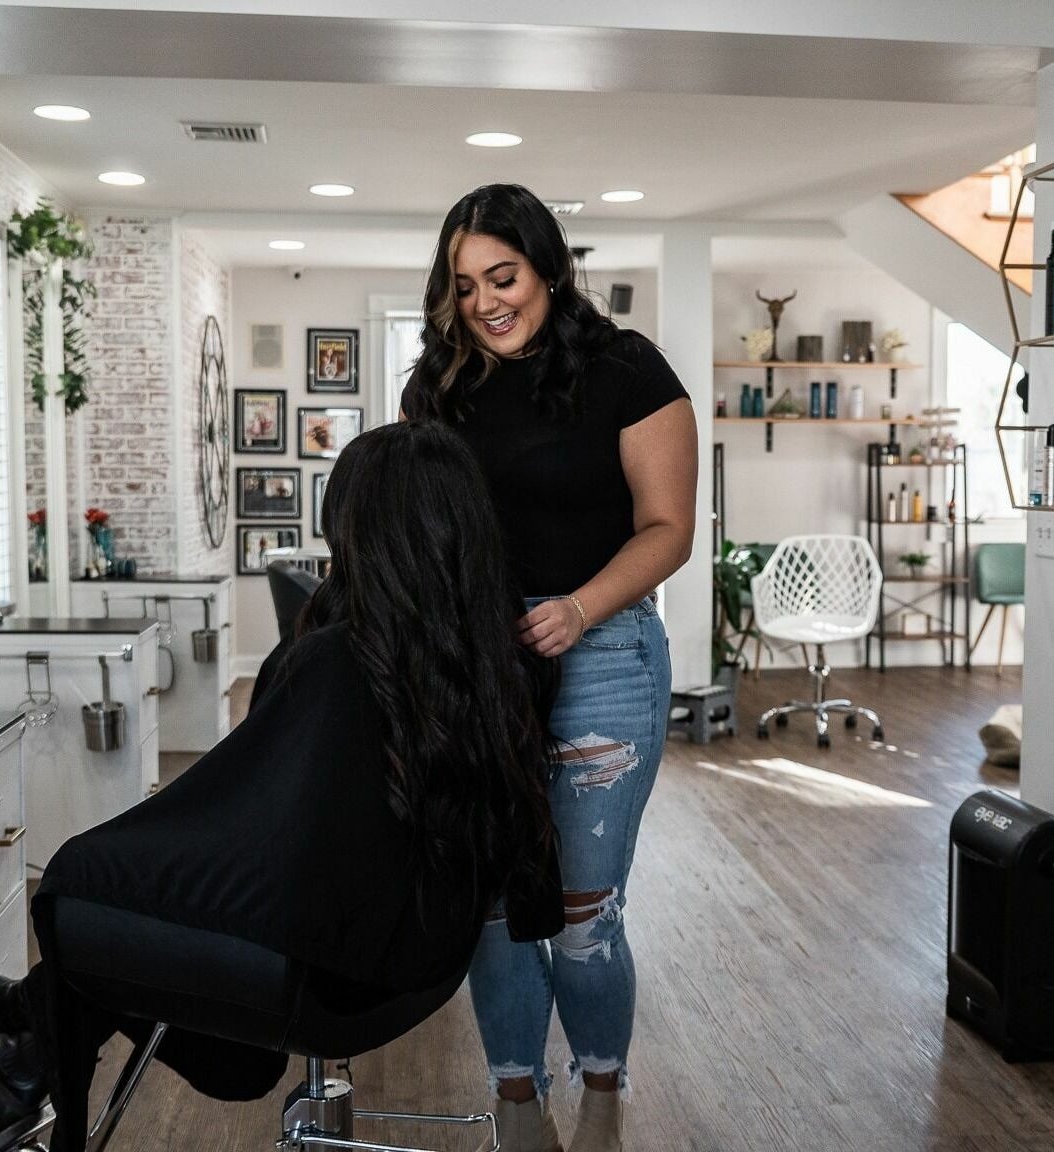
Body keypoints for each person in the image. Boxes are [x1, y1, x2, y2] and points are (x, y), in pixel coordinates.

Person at [0, 420, 562, 1150]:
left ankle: (35, 1050)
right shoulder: (504, 655)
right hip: (422, 964)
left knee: (76, 887)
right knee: (119, 895)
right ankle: (29, 1035)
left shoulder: (338, 661)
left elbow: (245, 826)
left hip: (330, 981)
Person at [402, 183, 697, 1152]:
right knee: (496, 908)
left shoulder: (626, 370)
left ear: (548, 268)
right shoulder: (438, 388)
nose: (487, 301)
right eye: (465, 284)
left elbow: (670, 530)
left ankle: (602, 1089)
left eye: (504, 276)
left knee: (580, 912)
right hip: (482, 669)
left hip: (604, 651)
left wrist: (576, 609)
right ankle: (518, 1109)